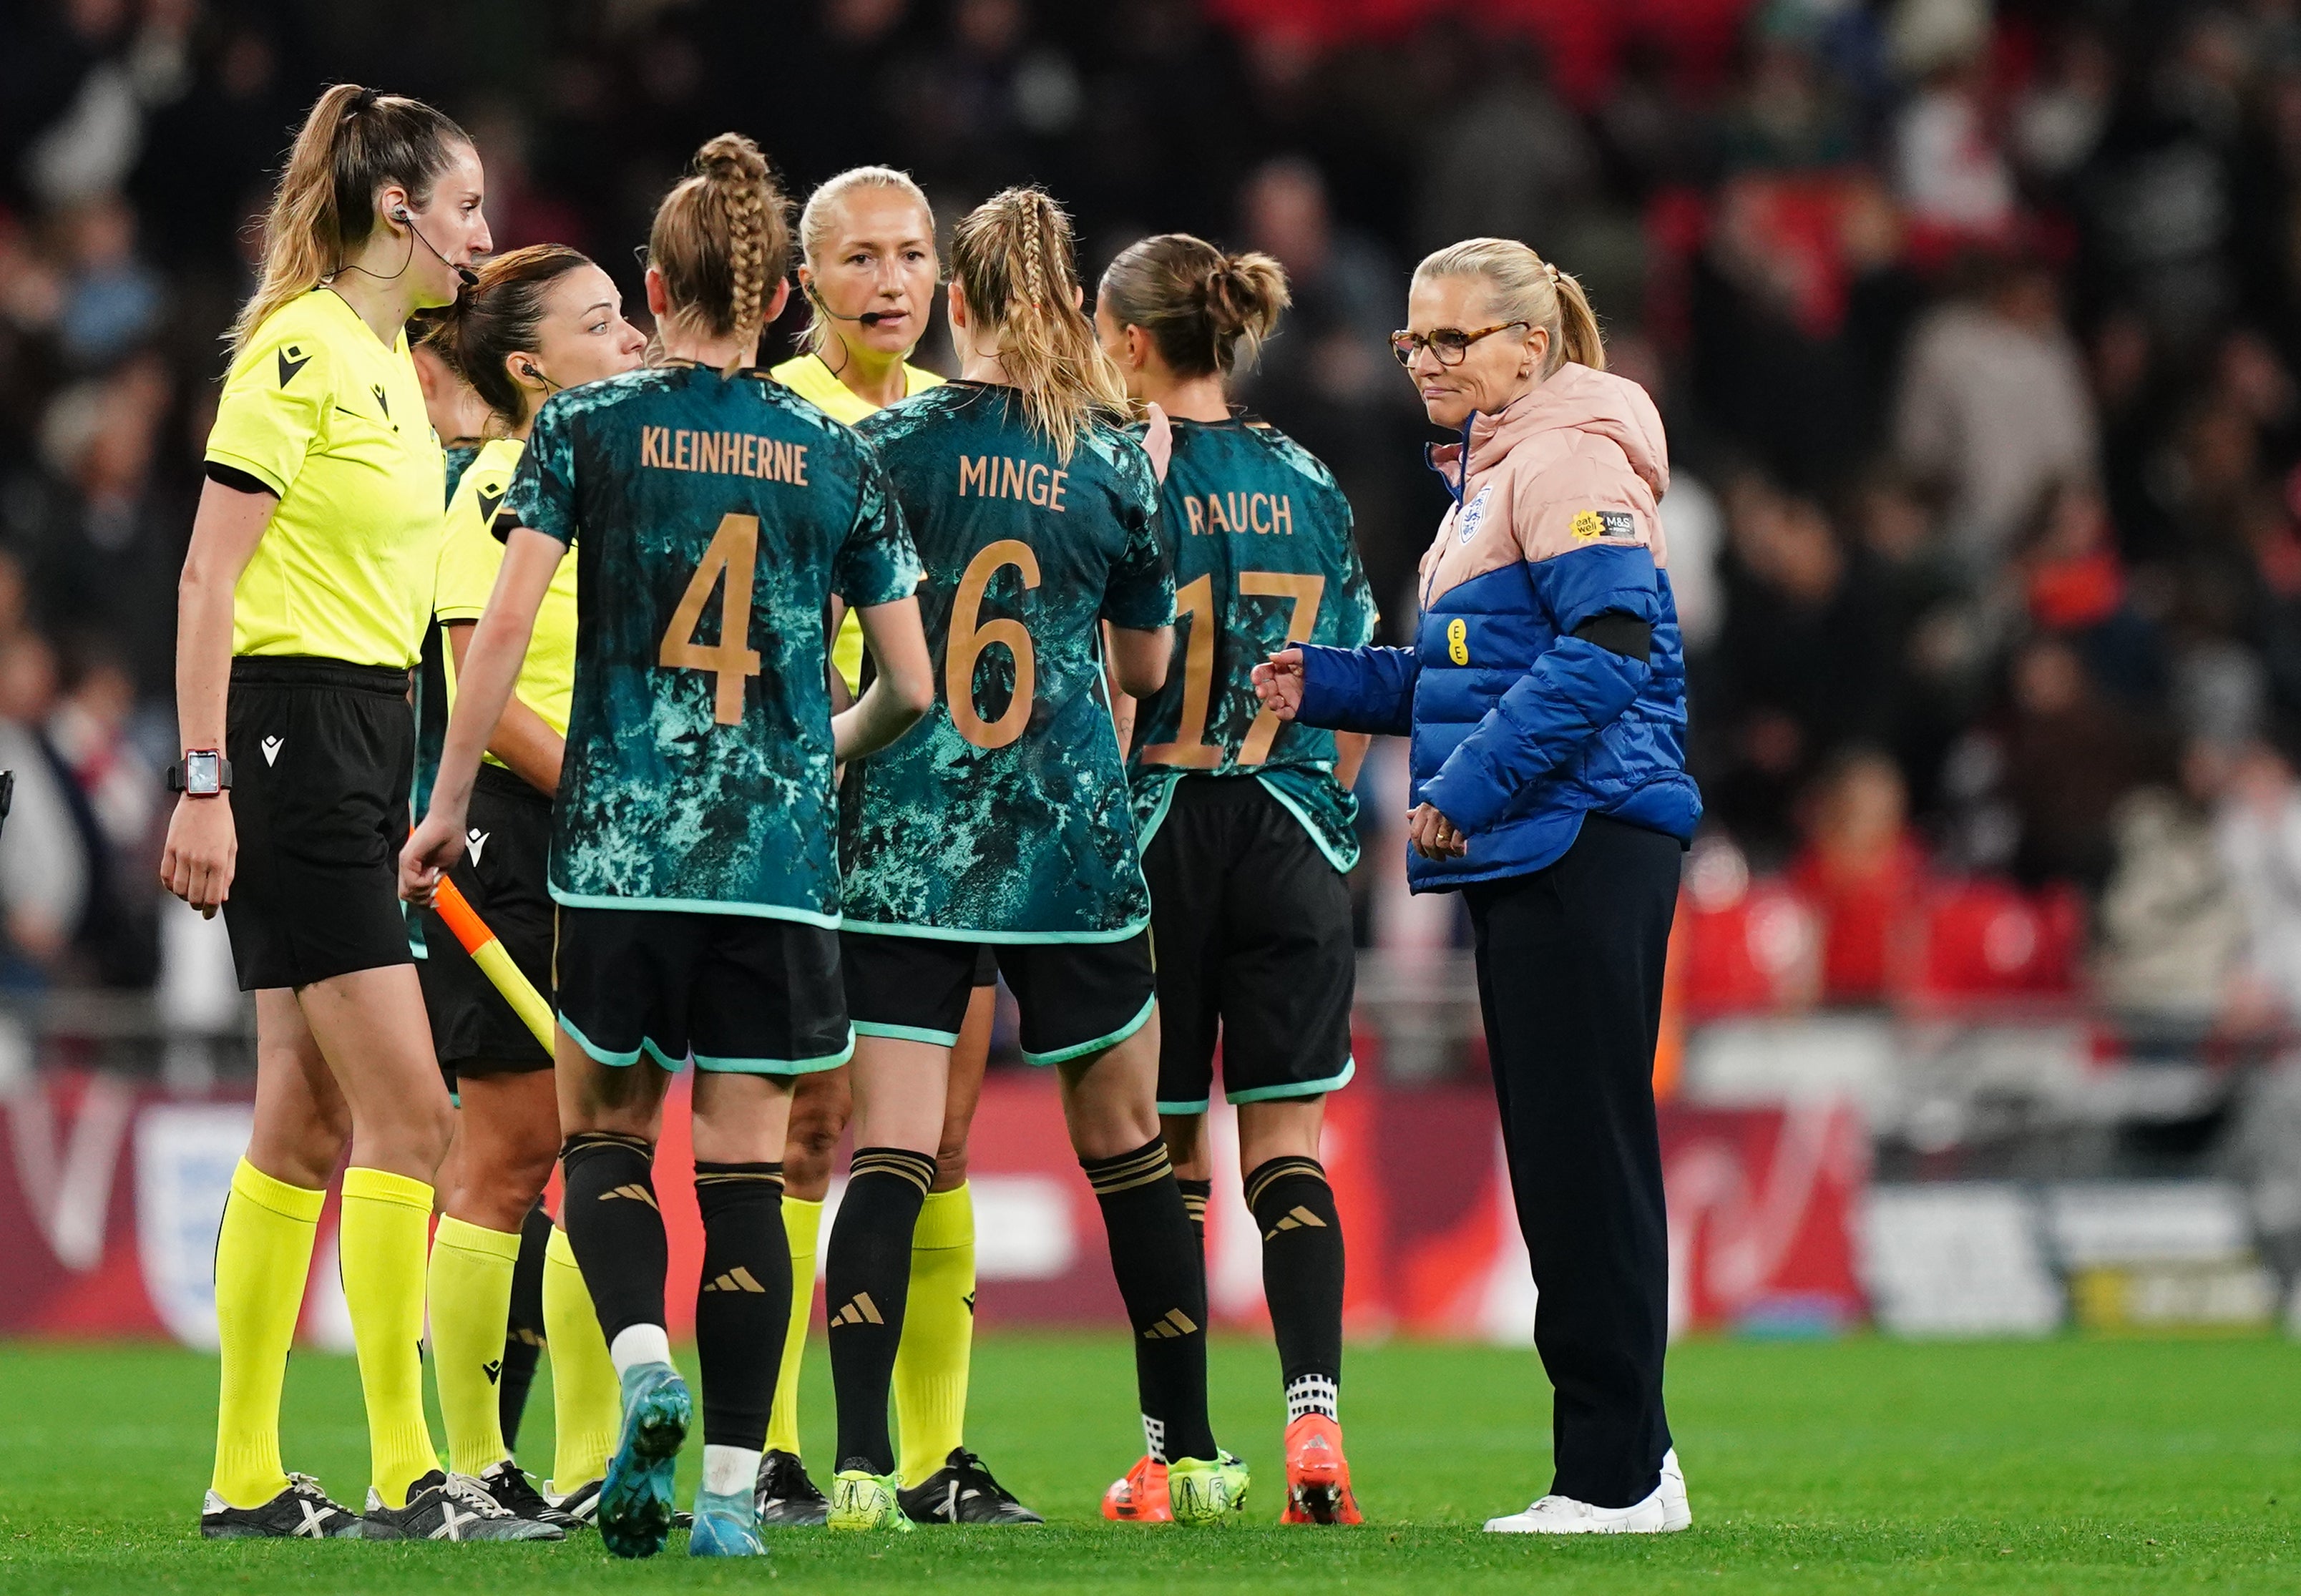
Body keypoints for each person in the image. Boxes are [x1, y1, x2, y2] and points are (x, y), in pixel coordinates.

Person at [401, 133, 933, 1562]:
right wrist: (810, 753)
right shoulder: (840, 451)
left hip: (620, 845)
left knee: (602, 1140)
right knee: (750, 1174)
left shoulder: (585, 429)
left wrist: (448, 802)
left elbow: (502, 631)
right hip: (772, 858)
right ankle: (730, 1496)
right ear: (778, 305)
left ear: (654, 282)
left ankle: (642, 1368)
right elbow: (914, 687)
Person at [1253, 238, 1701, 1533]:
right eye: (1415, 340)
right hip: (1556, 829)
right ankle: (1642, 1460)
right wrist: (1328, 681)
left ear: (1530, 347)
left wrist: (1471, 788)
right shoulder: (1495, 472)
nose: (1429, 362)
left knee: (1584, 1164)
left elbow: (1615, 645)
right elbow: (1472, 675)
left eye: (1454, 340)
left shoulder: (1561, 456)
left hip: (1581, 830)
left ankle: (1609, 1481)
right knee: (1580, 1159)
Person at [161, 84, 554, 1544]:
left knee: (307, 1119)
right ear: (398, 209)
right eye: (463, 209)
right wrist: (204, 780)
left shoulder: (386, 360)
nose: (482, 235)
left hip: (356, 734)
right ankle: (412, 1480)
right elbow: (209, 579)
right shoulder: (303, 352)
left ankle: (249, 1477)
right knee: (413, 1115)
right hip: (291, 740)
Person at [833, 186, 1249, 1531]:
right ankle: (1185, 1450)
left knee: (891, 1150)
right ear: (1071, 311)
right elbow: (1143, 665)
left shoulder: (884, 442)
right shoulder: (1117, 462)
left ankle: (853, 1470)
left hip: (905, 830)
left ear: (956, 305)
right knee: (1131, 1146)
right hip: (1064, 834)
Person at [756, 165, 1028, 1527]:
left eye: (912, 257)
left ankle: (935, 1460)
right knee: (813, 1133)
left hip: (941, 830)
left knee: (948, 1142)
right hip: (809, 823)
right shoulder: (772, 420)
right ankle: (785, 1446)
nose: (891, 282)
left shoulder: (952, 422)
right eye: (860, 258)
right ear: (806, 284)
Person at [1093, 232, 1377, 1525]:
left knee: (1163, 1154)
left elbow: (1108, 661)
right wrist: (1326, 800)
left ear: (1133, 346)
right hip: (1292, 833)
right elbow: (1363, 669)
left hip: (1160, 823)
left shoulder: (1125, 471)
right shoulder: (1309, 477)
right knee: (1288, 1149)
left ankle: (1177, 1452)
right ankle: (1315, 1425)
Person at [414, 243, 649, 1527]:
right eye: (601, 325)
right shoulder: (496, 487)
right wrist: (611, 796)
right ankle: (470, 1464)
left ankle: (575, 1462)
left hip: (613, 841)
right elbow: (481, 696)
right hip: (522, 831)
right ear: (526, 366)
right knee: (508, 1154)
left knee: (600, 1141)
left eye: (626, 319)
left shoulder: (613, 481)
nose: (629, 343)